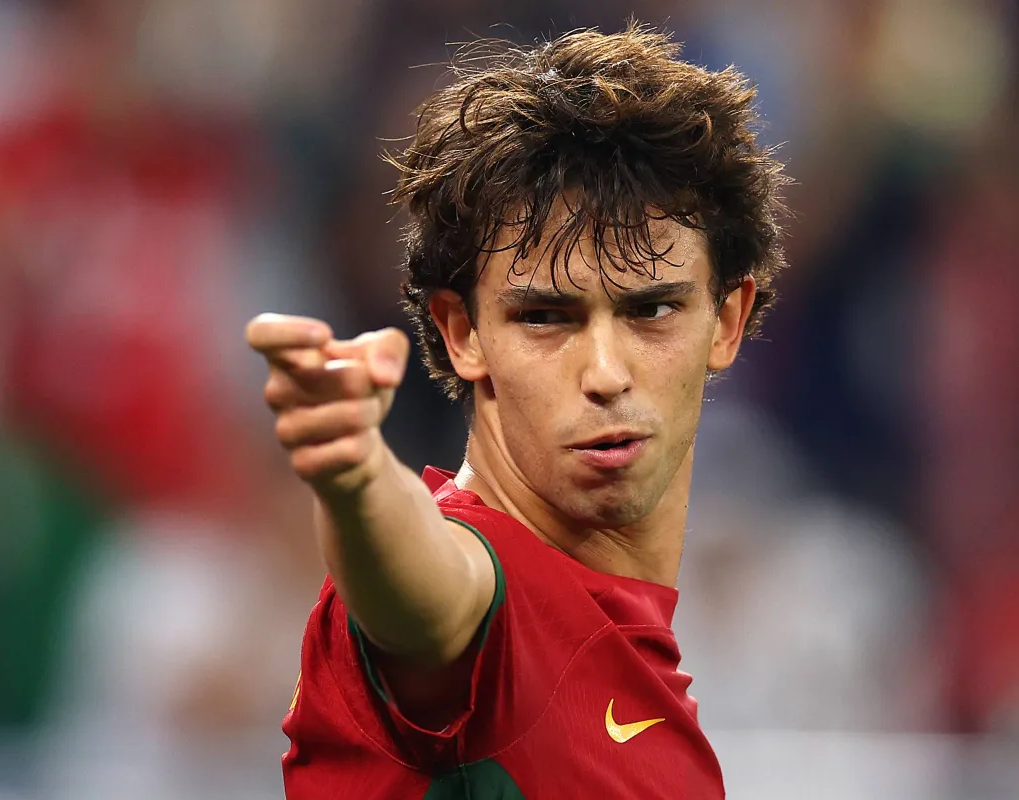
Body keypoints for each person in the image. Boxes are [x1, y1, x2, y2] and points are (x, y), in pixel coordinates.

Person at [247, 24, 788, 799]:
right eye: (545, 318)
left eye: (651, 310)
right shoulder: (482, 603)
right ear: (461, 332)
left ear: (727, 320)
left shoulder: (636, 675)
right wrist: (356, 476)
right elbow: (424, 599)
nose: (606, 374)